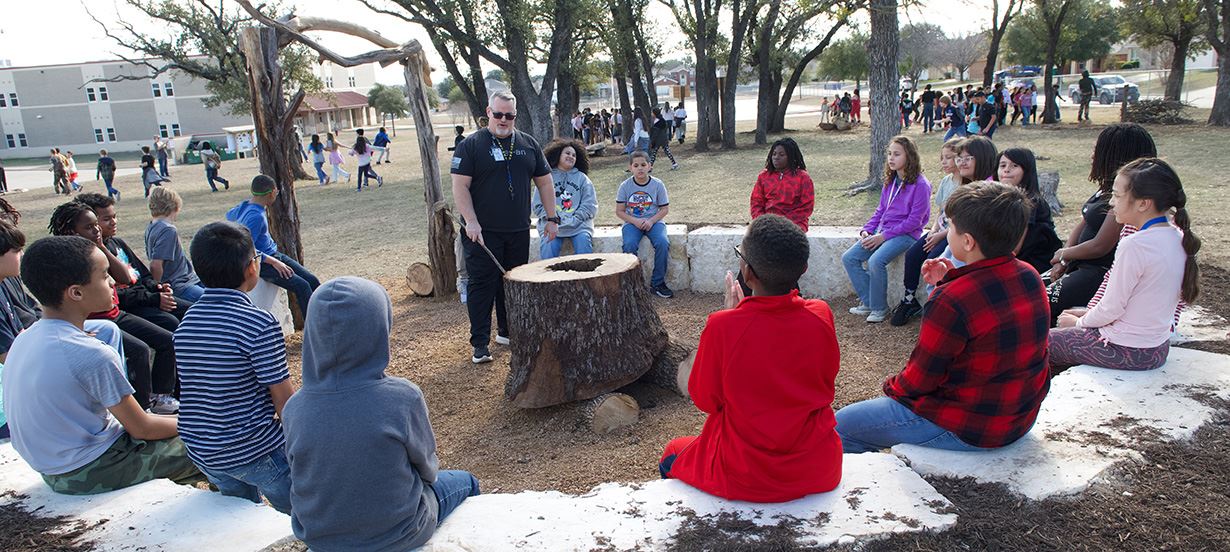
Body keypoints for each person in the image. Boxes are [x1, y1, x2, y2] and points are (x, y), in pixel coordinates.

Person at [835, 182, 1050, 453]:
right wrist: (946, 282)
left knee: (840, 426)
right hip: (1020, 417)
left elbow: (919, 381)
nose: (947, 234)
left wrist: (889, 386)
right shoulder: (1029, 275)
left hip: (971, 429)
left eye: (951, 228)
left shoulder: (953, 298)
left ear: (968, 241)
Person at [284, 277, 480, 549]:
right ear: (377, 328)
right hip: (398, 533)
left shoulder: (294, 408)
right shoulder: (402, 398)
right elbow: (428, 470)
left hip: (321, 539)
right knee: (466, 481)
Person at [660, 215, 841, 502]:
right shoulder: (821, 314)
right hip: (817, 466)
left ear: (746, 273)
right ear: (803, 269)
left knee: (671, 453)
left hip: (746, 473)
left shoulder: (723, 327)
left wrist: (731, 318)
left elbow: (706, 400)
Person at [4, 235, 201, 494]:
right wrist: (200, 423)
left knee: (107, 328)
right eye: (104, 275)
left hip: (50, 463)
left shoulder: (26, 337)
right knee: (215, 445)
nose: (113, 282)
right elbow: (142, 427)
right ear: (76, 292)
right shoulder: (88, 354)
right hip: (86, 469)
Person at [174, 221, 296, 513]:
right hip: (255, 449)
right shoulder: (259, 324)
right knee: (305, 512)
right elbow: (282, 396)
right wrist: (301, 442)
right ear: (251, 269)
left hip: (203, 450)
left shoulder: (186, 323)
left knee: (240, 516)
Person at [1049, 158, 1199, 372]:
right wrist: (1085, 316)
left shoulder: (1135, 244)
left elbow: (1111, 308)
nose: (1111, 203)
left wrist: (1078, 324)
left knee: (1035, 346)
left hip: (1126, 350)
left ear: (1143, 203)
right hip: (1156, 349)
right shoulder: (1178, 236)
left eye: (1117, 196)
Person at [450, 91, 559, 364]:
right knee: (482, 285)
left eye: (509, 116)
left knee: (511, 284)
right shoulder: (471, 145)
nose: (503, 120)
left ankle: (507, 331)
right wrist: (471, 221)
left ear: (515, 116)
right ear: (488, 112)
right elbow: (460, 186)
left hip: (518, 229)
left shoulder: (528, 143)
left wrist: (551, 217)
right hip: (482, 232)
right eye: (498, 114)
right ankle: (479, 343)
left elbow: (544, 182)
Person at [50, 200, 180, 413]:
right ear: (70, 231)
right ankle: (143, 407)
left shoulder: (99, 249)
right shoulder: (68, 259)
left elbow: (124, 278)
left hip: (115, 314)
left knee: (167, 338)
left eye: (96, 225)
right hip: (92, 320)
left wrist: (101, 246)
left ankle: (161, 396)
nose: (96, 230)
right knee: (138, 350)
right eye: (89, 227)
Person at [1046, 124, 1157, 323]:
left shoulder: (1126, 200)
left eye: (1098, 150)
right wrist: (1065, 257)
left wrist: (1065, 254)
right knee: (1027, 289)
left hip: (1096, 272)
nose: (1092, 155)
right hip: (1077, 263)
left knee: (1041, 302)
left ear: (1116, 155)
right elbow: (1084, 221)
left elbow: (1101, 245)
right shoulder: (1105, 190)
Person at [842, 136, 931, 323]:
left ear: (910, 157)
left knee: (876, 261)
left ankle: (879, 308)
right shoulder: (890, 181)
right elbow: (880, 210)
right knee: (850, 258)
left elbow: (915, 221)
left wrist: (883, 237)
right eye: (889, 154)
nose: (891, 158)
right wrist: (867, 230)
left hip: (907, 235)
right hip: (883, 232)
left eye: (897, 154)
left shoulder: (921, 185)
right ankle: (868, 301)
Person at [226, 175, 321, 317]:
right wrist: (275, 262)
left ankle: (324, 318)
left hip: (274, 254)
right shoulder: (256, 216)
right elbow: (247, 247)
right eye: (276, 192)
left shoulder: (246, 205)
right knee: (302, 287)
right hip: (263, 263)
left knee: (312, 281)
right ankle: (313, 330)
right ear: (271, 193)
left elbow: (229, 215)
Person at [891, 138, 962, 326]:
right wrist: (934, 230)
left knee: (935, 259)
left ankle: (938, 304)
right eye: (942, 158)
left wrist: (941, 235)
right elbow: (941, 211)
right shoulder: (947, 181)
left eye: (949, 158)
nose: (944, 162)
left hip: (954, 234)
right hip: (940, 230)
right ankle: (909, 299)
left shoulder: (966, 183)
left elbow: (960, 221)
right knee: (914, 254)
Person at [617, 151, 673, 299]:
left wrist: (651, 221)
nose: (640, 168)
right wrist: (635, 221)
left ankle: (657, 283)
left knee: (662, 243)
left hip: (654, 221)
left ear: (650, 166)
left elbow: (664, 209)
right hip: (632, 222)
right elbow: (620, 211)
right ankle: (632, 284)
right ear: (630, 168)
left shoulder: (657, 185)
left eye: (643, 165)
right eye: (636, 165)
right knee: (629, 245)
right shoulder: (625, 186)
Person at [997, 148, 1061, 272]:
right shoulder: (1000, 199)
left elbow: (1015, 248)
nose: (1006, 169)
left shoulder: (1030, 202)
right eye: (1002, 165)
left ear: (1026, 170)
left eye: (1014, 165)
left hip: (1033, 266)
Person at [533, 139, 598, 260]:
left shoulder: (582, 179)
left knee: (584, 243)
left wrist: (575, 219)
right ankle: (548, 278)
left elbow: (590, 205)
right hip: (552, 225)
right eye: (567, 153)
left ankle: (584, 278)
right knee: (548, 244)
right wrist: (553, 218)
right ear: (558, 155)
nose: (571, 157)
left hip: (579, 226)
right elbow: (538, 205)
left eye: (574, 155)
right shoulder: (547, 178)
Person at [145, 188, 205, 303]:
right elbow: (155, 265)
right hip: (179, 285)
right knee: (218, 303)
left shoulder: (151, 226)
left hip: (189, 279)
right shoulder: (168, 230)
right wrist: (157, 291)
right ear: (175, 206)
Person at [750, 138, 814, 231]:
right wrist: (762, 221)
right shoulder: (763, 176)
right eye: (774, 154)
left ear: (791, 157)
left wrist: (783, 222)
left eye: (781, 155)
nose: (776, 157)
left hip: (794, 223)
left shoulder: (803, 177)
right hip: (766, 223)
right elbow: (756, 202)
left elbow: (806, 207)